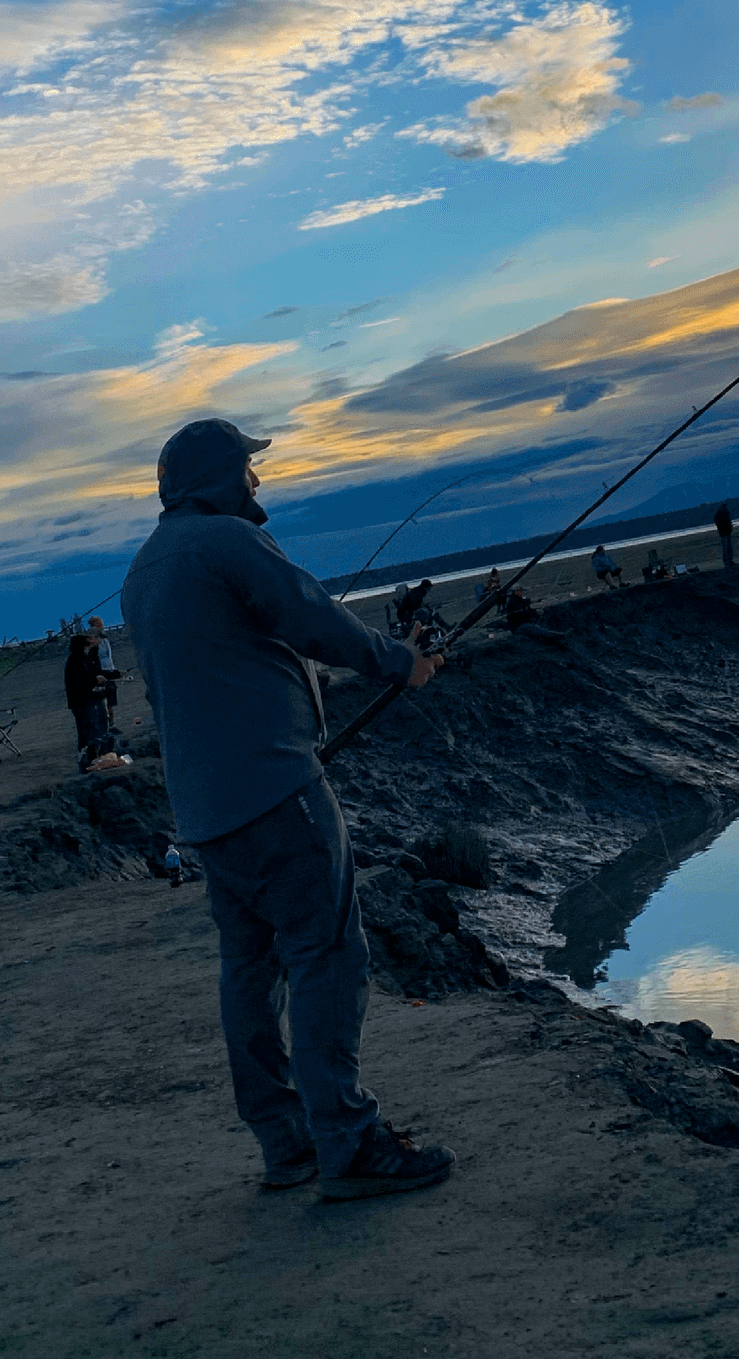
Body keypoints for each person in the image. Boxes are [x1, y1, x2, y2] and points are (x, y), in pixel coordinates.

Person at [121, 418, 454, 1202]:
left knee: (250, 972)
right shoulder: (228, 543)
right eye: (249, 468)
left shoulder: (144, 571)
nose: (258, 482)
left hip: (207, 813)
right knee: (328, 957)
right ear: (218, 477)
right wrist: (401, 663)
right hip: (276, 795)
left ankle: (288, 1143)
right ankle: (349, 1141)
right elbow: (314, 618)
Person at [65, 632, 119, 760]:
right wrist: (96, 681)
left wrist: (111, 674)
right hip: (81, 702)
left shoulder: (78, 659)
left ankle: (90, 757)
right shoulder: (76, 661)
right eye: (87, 646)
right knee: (88, 732)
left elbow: (91, 673)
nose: (88, 648)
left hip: (81, 701)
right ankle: (89, 758)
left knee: (87, 732)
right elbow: (80, 682)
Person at [89, 613, 121, 732]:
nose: (102, 626)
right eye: (99, 624)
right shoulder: (92, 641)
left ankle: (112, 724)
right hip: (100, 674)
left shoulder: (105, 639)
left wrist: (114, 670)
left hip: (109, 672)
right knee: (102, 701)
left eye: (101, 624)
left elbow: (109, 657)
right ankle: (103, 726)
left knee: (111, 701)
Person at [714, 502, 736, 569]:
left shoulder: (726, 514)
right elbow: (719, 524)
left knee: (730, 547)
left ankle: (730, 561)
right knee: (726, 548)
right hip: (724, 533)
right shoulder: (719, 515)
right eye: (724, 506)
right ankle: (727, 562)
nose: (725, 507)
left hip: (728, 532)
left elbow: (729, 522)